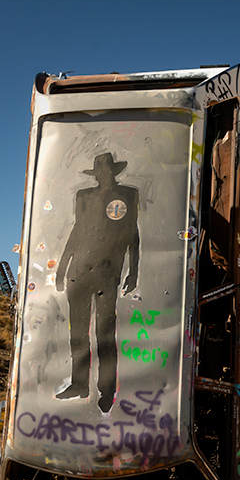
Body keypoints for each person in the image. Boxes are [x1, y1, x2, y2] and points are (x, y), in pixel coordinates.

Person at [55, 153, 140, 412]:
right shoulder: (84, 197)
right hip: (79, 271)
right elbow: (77, 230)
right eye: (100, 171)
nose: (104, 175)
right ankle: (79, 383)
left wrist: (133, 270)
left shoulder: (128, 195)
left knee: (105, 334)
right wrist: (62, 268)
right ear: (96, 173)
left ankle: (107, 390)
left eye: (107, 170)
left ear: (114, 172)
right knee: (77, 333)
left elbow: (132, 233)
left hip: (107, 271)